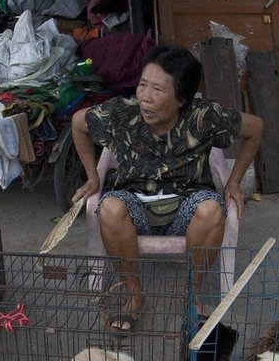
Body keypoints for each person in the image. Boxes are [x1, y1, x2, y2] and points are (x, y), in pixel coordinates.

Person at [70, 45, 264, 331]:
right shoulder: (122, 113)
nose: (145, 98)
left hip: (187, 203)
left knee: (211, 210)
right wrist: (92, 178)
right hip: (133, 204)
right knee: (109, 207)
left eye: (157, 90)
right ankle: (133, 295)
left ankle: (193, 295)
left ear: (181, 99)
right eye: (142, 86)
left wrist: (234, 181)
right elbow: (78, 123)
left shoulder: (203, 117)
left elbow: (255, 128)